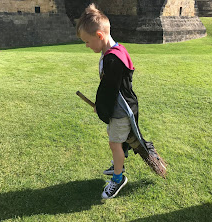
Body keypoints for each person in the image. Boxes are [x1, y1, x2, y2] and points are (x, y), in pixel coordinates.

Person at [76, 3, 139, 199]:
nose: (87, 46)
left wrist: (102, 108)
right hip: (119, 108)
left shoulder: (114, 60)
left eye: (87, 42)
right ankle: (117, 163)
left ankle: (118, 179)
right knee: (116, 140)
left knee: (114, 143)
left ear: (99, 36)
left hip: (121, 110)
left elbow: (109, 91)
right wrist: (103, 107)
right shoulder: (114, 51)